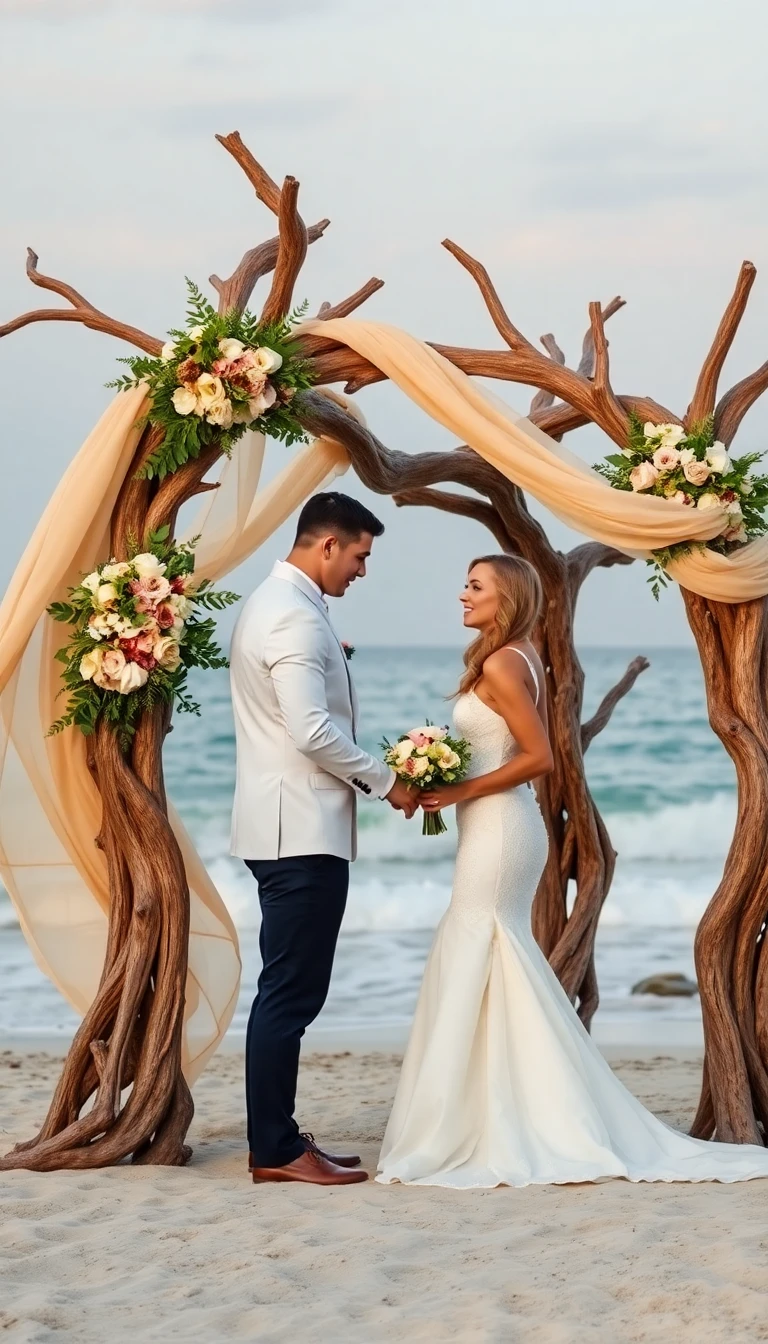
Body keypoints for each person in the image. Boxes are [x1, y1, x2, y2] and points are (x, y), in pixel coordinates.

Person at [377, 554, 768, 1188]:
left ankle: (500, 1118)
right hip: (498, 825)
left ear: (506, 597)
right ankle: (494, 1106)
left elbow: (538, 758)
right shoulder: (513, 653)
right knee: (493, 954)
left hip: (501, 827)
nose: (462, 594)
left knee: (485, 944)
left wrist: (456, 791)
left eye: (475, 586)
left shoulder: (505, 661)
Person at [230, 492, 417, 1187]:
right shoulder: (291, 619)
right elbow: (311, 732)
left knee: (289, 990)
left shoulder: (283, 608)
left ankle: (278, 1137)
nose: (363, 570)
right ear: (328, 545)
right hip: (296, 831)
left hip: (286, 825)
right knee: (289, 995)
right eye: (361, 555)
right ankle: (275, 1150)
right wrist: (385, 781)